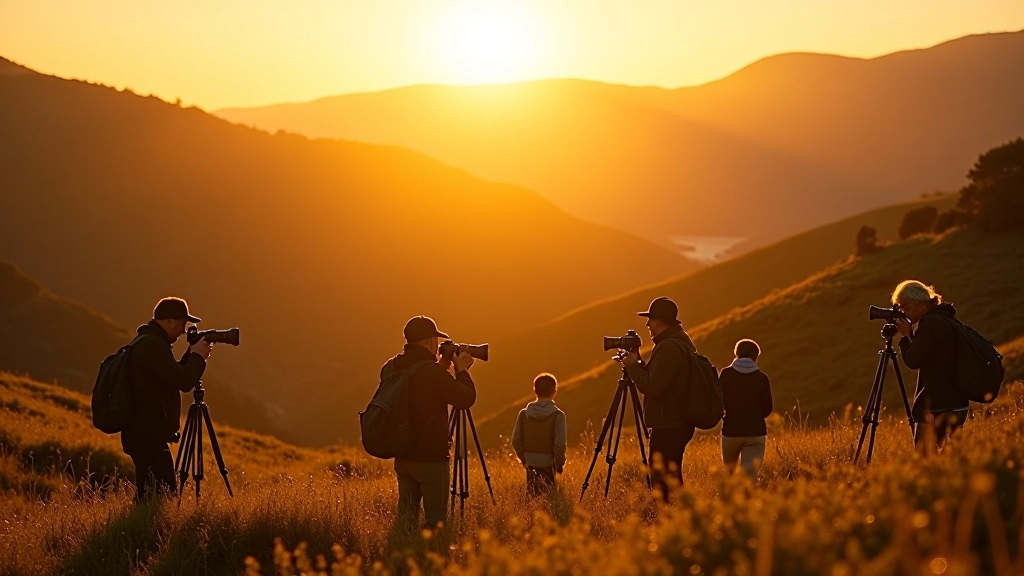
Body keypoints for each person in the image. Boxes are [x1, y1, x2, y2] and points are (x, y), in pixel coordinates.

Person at [389, 316, 476, 530]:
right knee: (436, 522)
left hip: (403, 454)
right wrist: (462, 370)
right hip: (430, 458)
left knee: (406, 519)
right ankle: (434, 558)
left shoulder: (392, 367)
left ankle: (404, 555)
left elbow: (423, 385)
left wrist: (443, 364)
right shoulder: (431, 372)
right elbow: (465, 398)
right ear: (429, 341)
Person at [121, 297, 212, 501]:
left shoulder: (149, 342)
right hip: (147, 434)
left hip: (144, 432)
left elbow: (171, 376)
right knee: (160, 496)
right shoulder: (152, 345)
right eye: (182, 323)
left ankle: (143, 527)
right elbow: (183, 381)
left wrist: (191, 353)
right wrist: (198, 358)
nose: (183, 330)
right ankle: (148, 530)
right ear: (169, 321)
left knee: (153, 494)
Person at [617, 297, 697, 501]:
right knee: (671, 475)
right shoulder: (678, 341)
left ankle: (668, 518)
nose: (647, 325)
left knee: (662, 479)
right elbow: (660, 379)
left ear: (659, 322)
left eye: (650, 320)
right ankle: (678, 516)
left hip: (670, 423)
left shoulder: (669, 347)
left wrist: (633, 367)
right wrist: (640, 364)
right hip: (676, 420)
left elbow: (652, 387)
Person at [891, 280, 968, 451]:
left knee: (924, 458)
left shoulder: (930, 323)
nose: (904, 313)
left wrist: (906, 336)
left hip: (938, 405)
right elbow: (930, 356)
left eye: (906, 308)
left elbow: (913, 360)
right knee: (955, 459)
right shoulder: (945, 318)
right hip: (957, 401)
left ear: (918, 302)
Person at [720, 339, 773, 479]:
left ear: (736, 353)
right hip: (755, 432)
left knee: (729, 474)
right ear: (756, 356)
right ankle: (747, 500)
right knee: (750, 478)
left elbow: (719, 402)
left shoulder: (726, 374)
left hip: (731, 431)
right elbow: (767, 409)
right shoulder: (762, 378)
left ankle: (729, 500)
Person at [511, 373, 567, 497]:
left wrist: (525, 459)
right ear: (554, 391)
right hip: (549, 464)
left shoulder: (524, 414)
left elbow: (516, 440)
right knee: (550, 501)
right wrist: (558, 464)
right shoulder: (558, 415)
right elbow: (559, 444)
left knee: (532, 499)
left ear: (535, 390)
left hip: (530, 463)